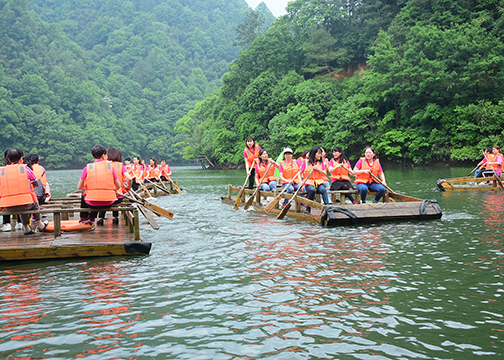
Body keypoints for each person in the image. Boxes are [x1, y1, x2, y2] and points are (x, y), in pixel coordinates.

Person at [0, 148, 47, 235]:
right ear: (21, 159)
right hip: (25, 204)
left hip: (7, 207)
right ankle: (39, 224)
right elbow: (36, 184)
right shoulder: (26, 169)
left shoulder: (1, 171)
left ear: (8, 159)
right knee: (32, 202)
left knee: (23, 202)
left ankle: (26, 227)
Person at [77, 145, 121, 225]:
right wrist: (114, 189)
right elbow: (118, 185)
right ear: (103, 156)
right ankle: (91, 217)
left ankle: (85, 218)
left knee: (84, 194)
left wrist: (87, 188)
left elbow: (79, 186)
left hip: (92, 203)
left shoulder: (87, 167)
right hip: (109, 202)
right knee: (93, 197)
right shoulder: (110, 167)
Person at [96, 148, 132, 226]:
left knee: (105, 200)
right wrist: (128, 187)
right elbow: (129, 178)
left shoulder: (103, 165)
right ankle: (115, 217)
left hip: (104, 196)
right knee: (115, 200)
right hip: (118, 196)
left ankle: (100, 218)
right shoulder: (121, 166)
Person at [299, 146, 330, 214]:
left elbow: (324, 173)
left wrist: (318, 169)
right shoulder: (306, 162)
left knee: (323, 189)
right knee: (312, 190)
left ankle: (327, 206)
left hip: (318, 182)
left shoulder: (321, 163)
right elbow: (299, 173)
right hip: (309, 183)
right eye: (318, 153)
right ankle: (308, 208)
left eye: (320, 153)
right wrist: (301, 182)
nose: (320, 155)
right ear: (314, 153)